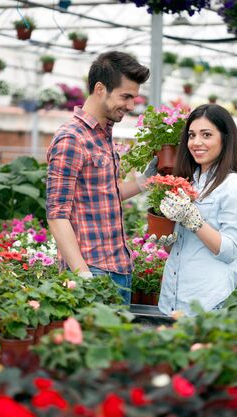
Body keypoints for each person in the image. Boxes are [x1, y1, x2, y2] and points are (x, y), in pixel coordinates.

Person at [46, 51, 158, 305]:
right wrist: (82, 275)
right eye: (126, 96)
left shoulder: (102, 133)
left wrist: (144, 181)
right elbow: (56, 214)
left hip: (119, 269)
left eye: (134, 97)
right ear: (100, 89)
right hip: (93, 273)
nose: (131, 106)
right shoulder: (72, 138)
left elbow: (104, 193)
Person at [158, 104, 237, 316]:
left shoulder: (233, 185)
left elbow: (230, 251)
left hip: (206, 306)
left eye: (206, 135)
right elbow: (185, 249)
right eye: (192, 135)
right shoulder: (188, 182)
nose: (196, 142)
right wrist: (167, 240)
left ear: (225, 139)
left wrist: (195, 220)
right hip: (171, 300)